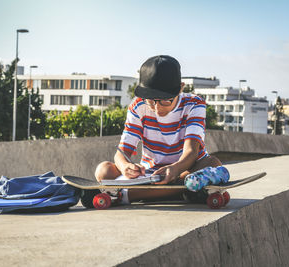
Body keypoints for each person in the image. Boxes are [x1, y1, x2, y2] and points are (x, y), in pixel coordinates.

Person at [95, 55, 222, 204]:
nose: (157, 108)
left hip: (185, 170)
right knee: (103, 170)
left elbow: (191, 151)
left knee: (213, 163)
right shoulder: (138, 106)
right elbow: (121, 153)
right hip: (151, 174)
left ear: (180, 88)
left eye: (165, 101)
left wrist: (175, 170)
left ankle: (131, 195)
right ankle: (178, 192)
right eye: (151, 101)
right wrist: (125, 167)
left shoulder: (194, 104)